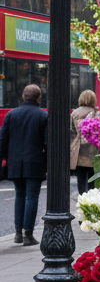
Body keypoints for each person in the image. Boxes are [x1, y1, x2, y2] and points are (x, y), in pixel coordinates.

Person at [0, 84, 48, 246]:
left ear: (23, 97)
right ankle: (28, 234)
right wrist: (47, 163)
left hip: (15, 162)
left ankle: (18, 233)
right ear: (39, 98)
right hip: (34, 162)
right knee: (31, 196)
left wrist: (5, 159)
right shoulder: (43, 116)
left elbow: (3, 140)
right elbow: (47, 143)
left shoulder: (10, 115)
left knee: (19, 195)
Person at [70, 89, 100, 195]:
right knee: (93, 176)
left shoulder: (74, 113)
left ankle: (82, 198)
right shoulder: (97, 113)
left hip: (79, 150)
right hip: (93, 148)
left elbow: (71, 132)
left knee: (81, 176)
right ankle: (92, 199)